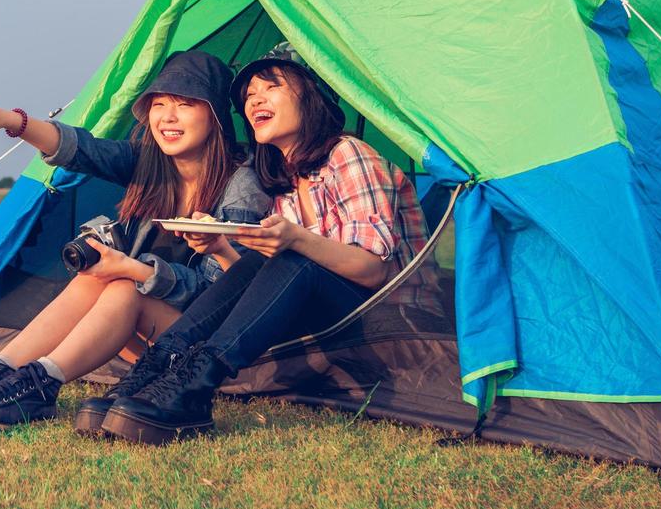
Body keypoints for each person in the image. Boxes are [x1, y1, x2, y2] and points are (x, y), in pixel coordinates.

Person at [0, 50, 272, 431]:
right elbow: (80, 149)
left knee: (123, 286)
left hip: (209, 348)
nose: (167, 117)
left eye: (184, 104)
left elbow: (221, 293)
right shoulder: (150, 165)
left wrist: (132, 269)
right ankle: (2, 370)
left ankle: (42, 385)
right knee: (97, 277)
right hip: (155, 341)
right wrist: (9, 121)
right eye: (159, 103)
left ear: (214, 115)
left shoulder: (241, 183)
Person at [98, 43, 431, 445]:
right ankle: (157, 369)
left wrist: (296, 239)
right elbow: (261, 282)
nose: (254, 100)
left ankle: (195, 386)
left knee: (294, 255)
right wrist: (220, 245)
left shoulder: (349, 154)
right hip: (326, 324)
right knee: (261, 261)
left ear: (311, 95)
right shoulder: (284, 182)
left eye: (270, 88)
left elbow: (374, 270)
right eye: (249, 96)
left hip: (397, 329)